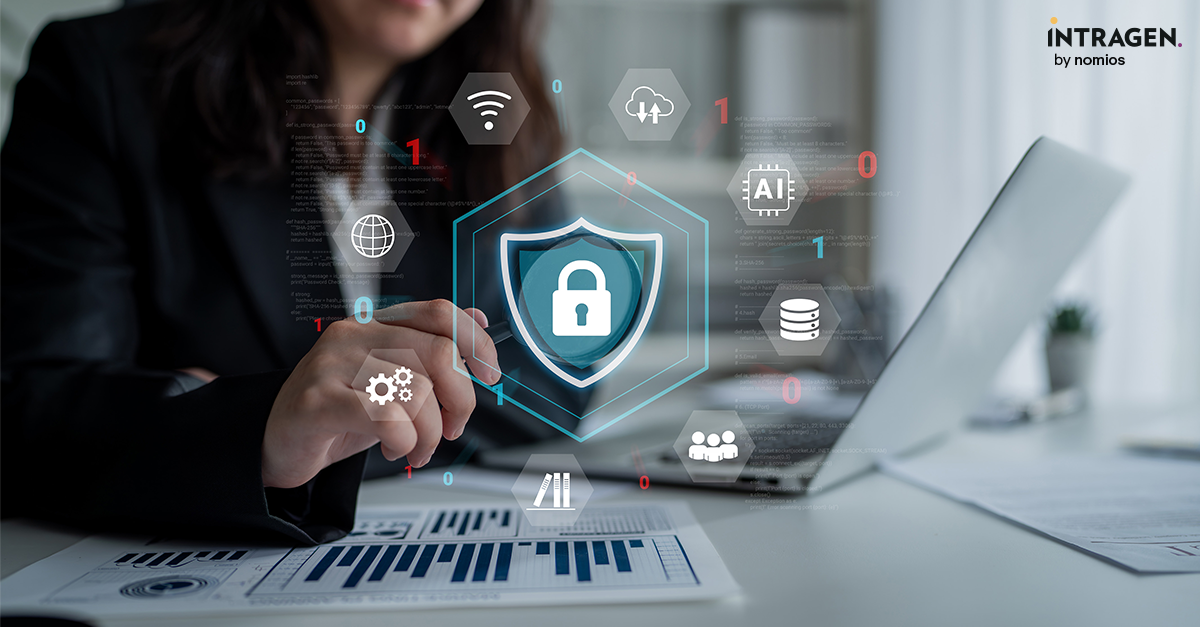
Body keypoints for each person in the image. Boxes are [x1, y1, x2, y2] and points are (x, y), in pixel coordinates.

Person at [1, 0, 584, 545]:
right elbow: (31, 413)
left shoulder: (496, 104)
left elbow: (553, 380)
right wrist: (257, 431)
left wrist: (214, 416)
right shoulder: (104, 75)